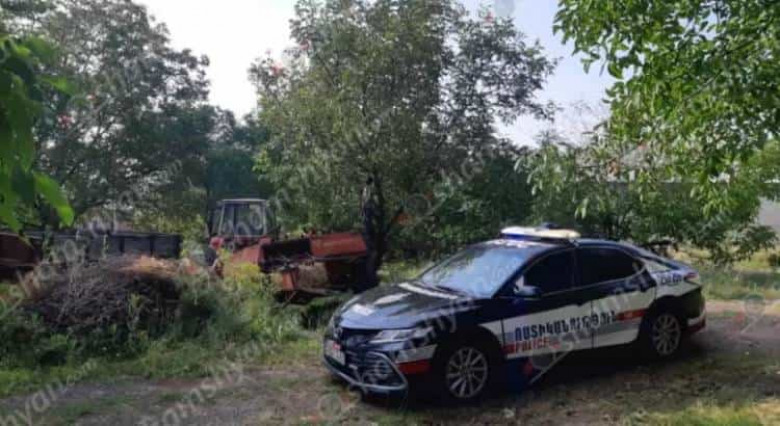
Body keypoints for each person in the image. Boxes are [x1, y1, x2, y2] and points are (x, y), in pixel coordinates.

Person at [358, 176, 380, 292]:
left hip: (366, 214)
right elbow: (367, 203)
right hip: (367, 215)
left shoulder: (366, 189)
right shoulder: (368, 189)